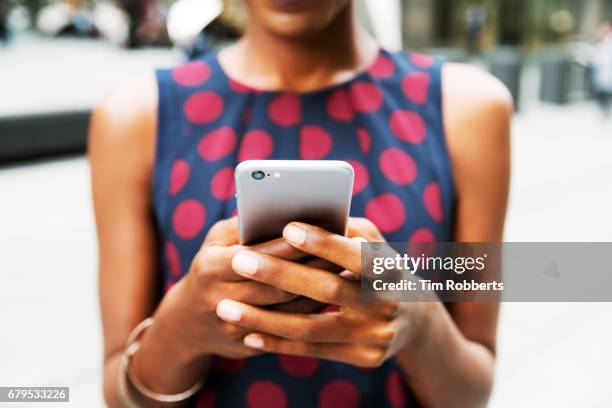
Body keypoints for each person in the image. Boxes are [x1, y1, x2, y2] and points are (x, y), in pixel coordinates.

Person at [89, 0, 511, 406]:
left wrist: (418, 324)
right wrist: (179, 332)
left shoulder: (468, 110)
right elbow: (119, 393)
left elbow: (472, 392)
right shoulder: (136, 118)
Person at [593, 17, 612, 118]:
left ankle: (606, 109)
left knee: (607, 89)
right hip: (599, 66)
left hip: (608, 67)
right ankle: (603, 109)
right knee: (600, 89)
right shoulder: (600, 37)